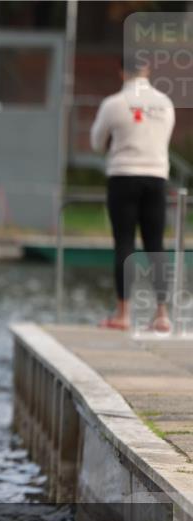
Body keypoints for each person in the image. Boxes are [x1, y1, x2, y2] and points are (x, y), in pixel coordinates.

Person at [90, 56, 175, 332]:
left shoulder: (114, 103)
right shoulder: (165, 103)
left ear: (120, 72)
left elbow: (95, 142)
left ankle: (123, 314)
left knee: (124, 243)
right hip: (156, 177)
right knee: (156, 244)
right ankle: (162, 314)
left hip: (123, 176)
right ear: (148, 69)